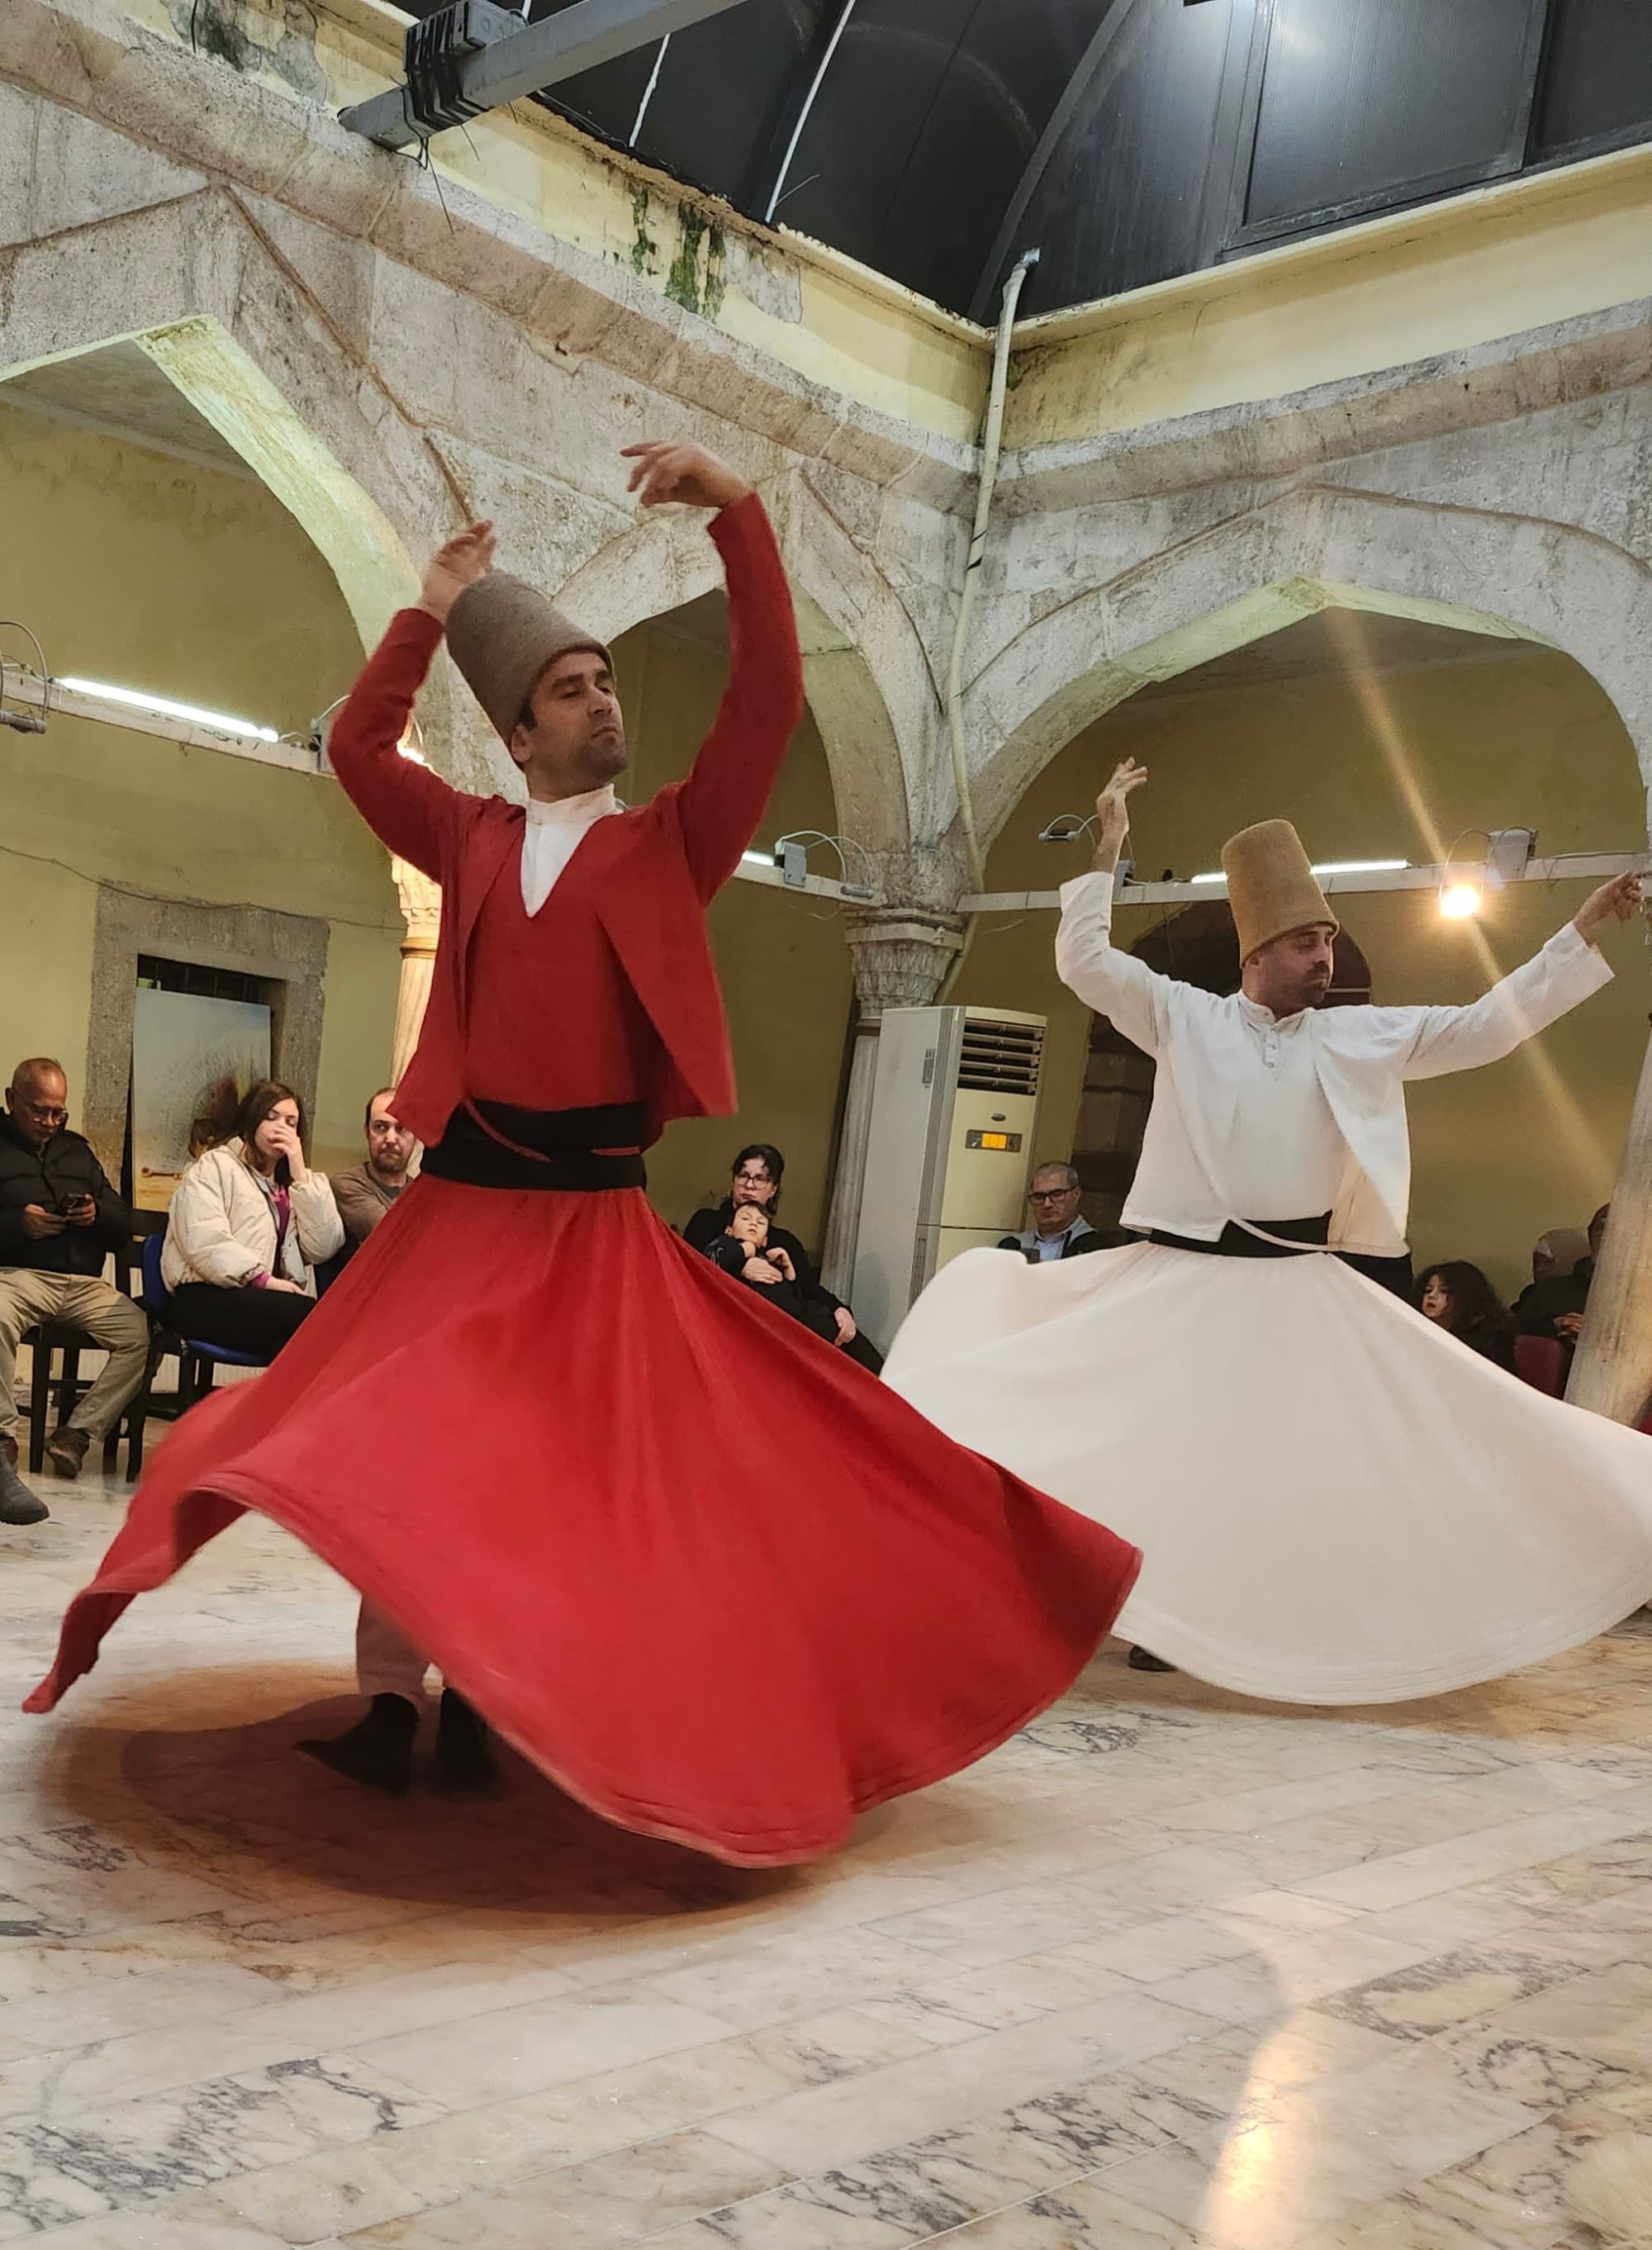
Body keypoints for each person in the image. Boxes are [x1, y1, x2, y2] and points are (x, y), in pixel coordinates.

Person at [30, 441, 1140, 1862]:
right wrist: (427, 609)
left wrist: (739, 516)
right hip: (464, 1214)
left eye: (607, 679)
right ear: (518, 732)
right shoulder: (470, 835)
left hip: (592, 1220)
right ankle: (393, 1697)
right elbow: (358, 749)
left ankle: (498, 1698)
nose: (605, 699)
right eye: (571, 687)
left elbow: (765, 700)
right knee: (416, 1458)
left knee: (567, 1480)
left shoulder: (671, 840)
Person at [885, 755, 1652, 1706]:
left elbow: (1483, 1026)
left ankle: (1277, 1617)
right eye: (1302, 943)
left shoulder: (1358, 1035)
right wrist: (1107, 849)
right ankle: (1130, 1604)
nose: (1321, 957)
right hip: (1180, 1280)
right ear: (1256, 955)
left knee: (1318, 1455)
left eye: (1326, 940)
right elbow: (1085, 964)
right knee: (1138, 1439)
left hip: (1297, 1284)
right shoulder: (1183, 1017)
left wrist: (1577, 933)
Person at [0, 1057, 148, 1521]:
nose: (49, 1122)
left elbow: (122, 1222)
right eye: (39, 1111)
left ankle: (77, 1434)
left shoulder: (77, 1151)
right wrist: (18, 1224)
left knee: (140, 1333)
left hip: (82, 1283)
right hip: (18, 1276)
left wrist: (94, 1215)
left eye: (58, 1113)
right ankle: (2, 1441)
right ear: (11, 1099)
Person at [160, 1081, 345, 1355]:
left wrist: (300, 1175)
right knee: (311, 1320)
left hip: (261, 1302)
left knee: (306, 1343)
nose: (281, 1128)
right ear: (251, 1119)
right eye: (271, 1117)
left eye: (291, 1123)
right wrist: (262, 1280)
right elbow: (204, 1241)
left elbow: (324, 1248)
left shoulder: (292, 1187)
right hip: (204, 1294)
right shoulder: (214, 1165)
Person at [684, 1143, 883, 1372]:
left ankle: (891, 1388)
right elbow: (689, 1267)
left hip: (783, 1329)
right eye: (743, 1176)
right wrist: (741, 1267)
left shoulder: (784, 1241)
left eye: (760, 1179)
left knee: (845, 1338)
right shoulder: (707, 1222)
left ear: (773, 1189)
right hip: (722, 1327)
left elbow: (809, 1290)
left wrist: (840, 1309)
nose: (749, 1185)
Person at [331, 1089, 417, 1246]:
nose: (391, 1139)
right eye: (381, 1127)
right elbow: (391, 1235)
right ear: (367, 1132)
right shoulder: (346, 1184)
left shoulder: (420, 1193)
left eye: (401, 1128)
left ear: (416, 1136)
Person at [1515, 1204, 1608, 1347]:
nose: (1608, 1234)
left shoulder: (1642, 1296)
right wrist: (1554, 1327)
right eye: (1602, 1227)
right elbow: (1513, 1341)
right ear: (1590, 1235)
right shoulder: (1548, 1292)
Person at [999, 1162, 1120, 1260]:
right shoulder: (1011, 1246)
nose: (1047, 1204)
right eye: (1039, 1197)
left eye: (1057, 1194)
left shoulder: (1099, 1249)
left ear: (1076, 1195)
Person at [1416, 1260, 1516, 1371]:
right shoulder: (1417, 1330)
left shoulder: (1490, 1340)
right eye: (1428, 1290)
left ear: (1466, 1297)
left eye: (1444, 1291)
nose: (1432, 1296)